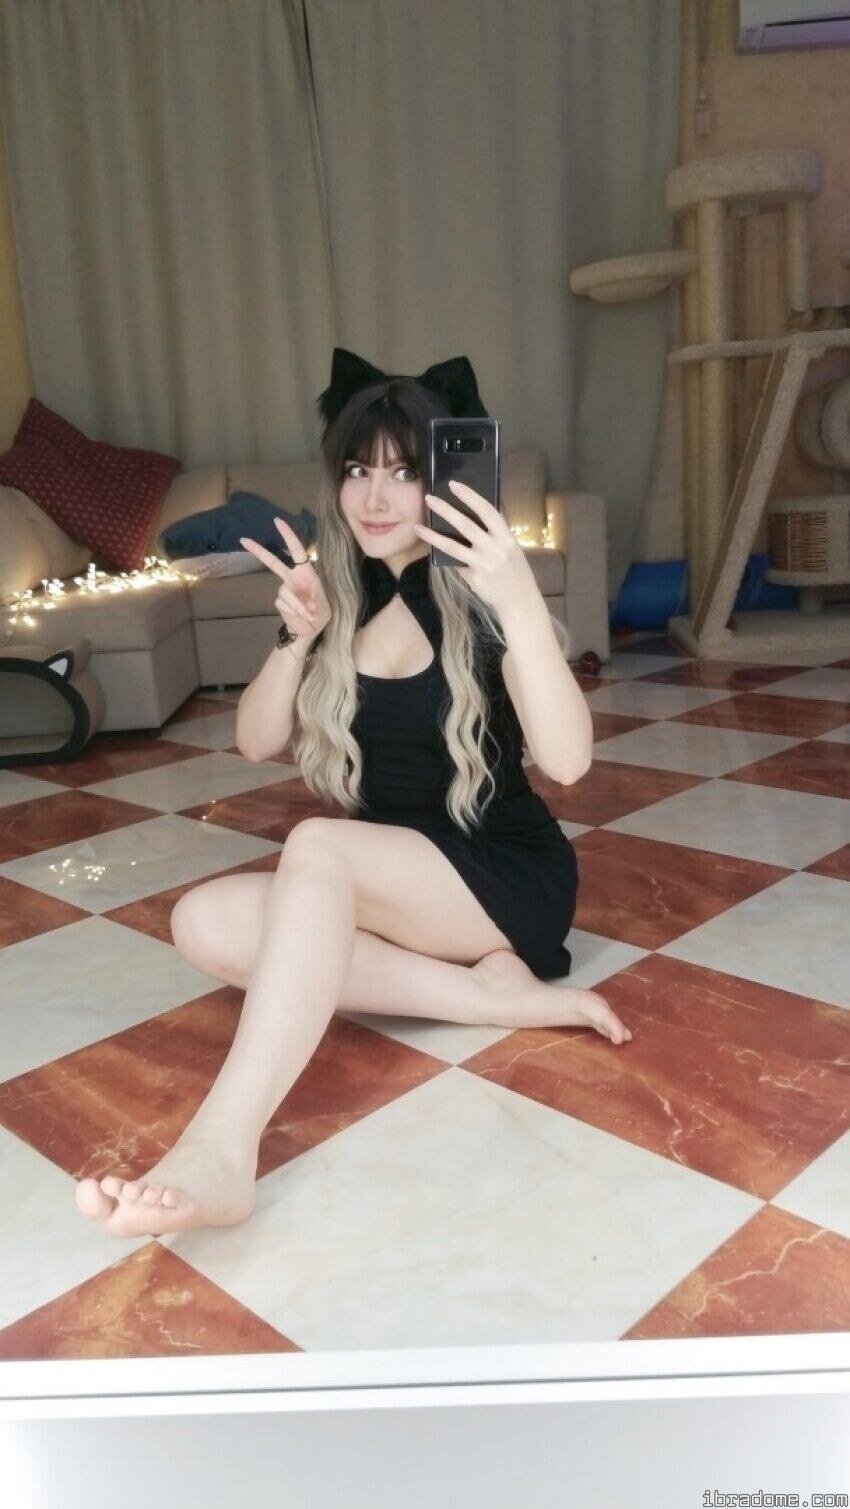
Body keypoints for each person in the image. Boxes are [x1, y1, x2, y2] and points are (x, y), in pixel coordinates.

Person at [75, 347, 631, 1239]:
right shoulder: (338, 596)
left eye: (404, 472)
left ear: (443, 481)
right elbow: (255, 740)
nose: (375, 497)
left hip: (502, 876)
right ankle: (487, 997)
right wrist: (295, 636)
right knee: (202, 922)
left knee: (317, 846)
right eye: (357, 471)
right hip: (390, 889)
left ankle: (222, 1148)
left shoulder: (485, 600)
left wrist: (522, 602)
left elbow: (567, 764)